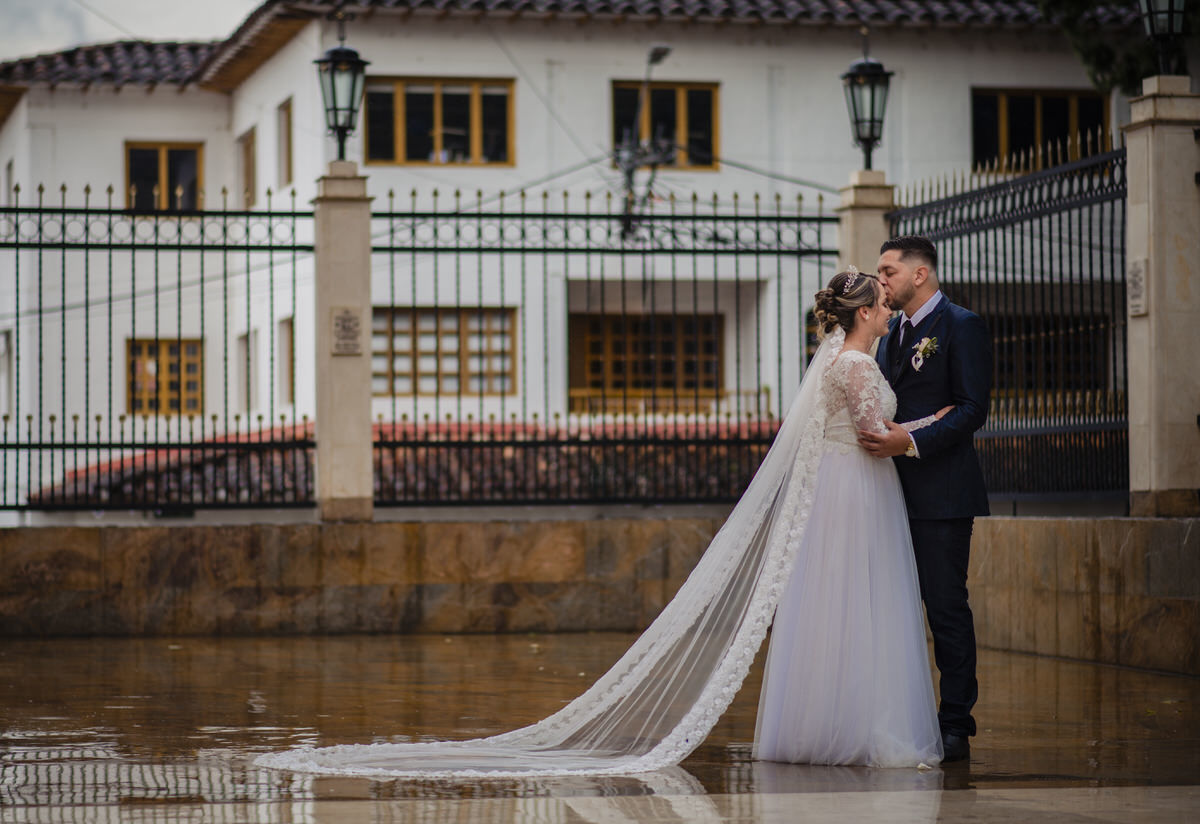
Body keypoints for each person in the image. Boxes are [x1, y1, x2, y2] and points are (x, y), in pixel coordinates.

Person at [255, 269, 949, 779]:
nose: (891, 311)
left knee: (832, 608)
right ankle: (858, 728)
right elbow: (871, 434)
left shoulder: (832, 357)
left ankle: (826, 728)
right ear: (862, 312)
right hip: (855, 490)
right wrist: (930, 425)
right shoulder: (856, 363)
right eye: (884, 304)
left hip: (838, 494)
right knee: (856, 605)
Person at [858, 236, 992, 763]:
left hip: (943, 494)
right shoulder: (891, 336)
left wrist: (910, 441)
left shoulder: (962, 325)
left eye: (888, 270)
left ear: (920, 275)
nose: (881, 279)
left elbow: (971, 408)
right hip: (890, 494)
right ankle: (903, 718)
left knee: (945, 608)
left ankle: (956, 721)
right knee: (894, 611)